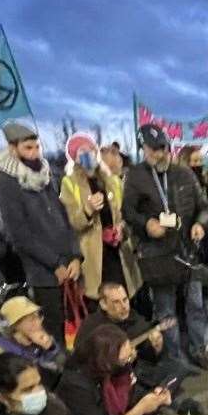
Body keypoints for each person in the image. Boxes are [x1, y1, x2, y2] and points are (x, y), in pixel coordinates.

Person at [124, 124, 208, 366]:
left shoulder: (184, 174)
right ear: (143, 149)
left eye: (162, 148)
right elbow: (127, 212)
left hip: (187, 250)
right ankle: (175, 358)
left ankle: (199, 349)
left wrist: (200, 225)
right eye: (153, 150)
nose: (159, 154)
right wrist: (146, 223)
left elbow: (203, 207)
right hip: (157, 254)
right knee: (166, 310)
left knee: (196, 304)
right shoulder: (136, 176)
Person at [0, 121, 82, 347]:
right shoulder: (8, 183)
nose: (34, 154)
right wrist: (55, 264)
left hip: (68, 265)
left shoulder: (45, 173)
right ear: (13, 149)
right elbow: (19, 235)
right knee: (54, 331)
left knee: (77, 324)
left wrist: (75, 256)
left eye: (36, 147)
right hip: (44, 272)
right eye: (27, 148)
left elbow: (64, 218)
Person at [59, 132, 142, 312]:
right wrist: (88, 209)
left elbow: (124, 214)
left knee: (124, 299)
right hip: (94, 256)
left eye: (91, 149)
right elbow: (71, 223)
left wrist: (122, 228)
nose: (88, 154)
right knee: (102, 304)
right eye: (82, 151)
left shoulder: (111, 180)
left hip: (118, 251)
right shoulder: (69, 183)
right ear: (74, 157)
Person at [55, 324, 174, 415]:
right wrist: (140, 409)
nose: (128, 362)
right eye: (124, 360)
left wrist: (153, 396)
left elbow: (129, 392)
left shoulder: (110, 367)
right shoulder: (75, 387)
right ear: (106, 361)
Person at [0, 295, 67, 390]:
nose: (38, 322)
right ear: (15, 325)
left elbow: (61, 366)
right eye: (31, 319)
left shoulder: (34, 336)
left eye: (38, 316)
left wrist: (50, 347)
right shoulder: (0, 348)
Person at [76, 280, 152, 346]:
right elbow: (79, 356)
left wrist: (156, 347)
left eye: (125, 300)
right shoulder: (91, 326)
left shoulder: (140, 323)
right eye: (116, 302)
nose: (124, 306)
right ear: (103, 305)